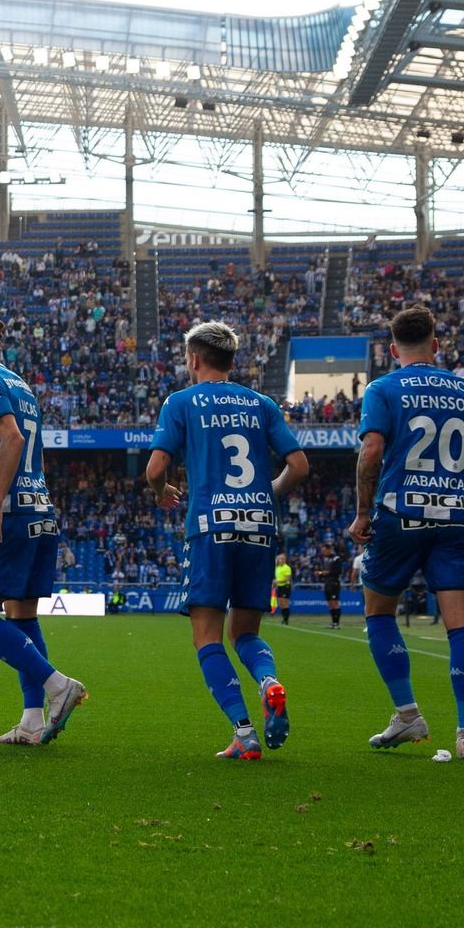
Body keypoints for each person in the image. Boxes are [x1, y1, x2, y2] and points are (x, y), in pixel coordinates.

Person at [144, 321, 309, 759]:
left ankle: (244, 732)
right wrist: (263, 494)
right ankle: (268, 681)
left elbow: (156, 469)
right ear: (232, 361)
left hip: (210, 527)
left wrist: (162, 494)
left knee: (207, 636)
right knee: (246, 633)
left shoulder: (180, 402)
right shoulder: (261, 404)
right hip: (259, 528)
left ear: (194, 359)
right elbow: (299, 465)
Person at [348, 307, 464, 760]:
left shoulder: (383, 388)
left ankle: (408, 713)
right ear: (436, 345)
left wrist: (362, 513)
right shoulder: (460, 389)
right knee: (463, 628)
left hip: (399, 515)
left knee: (378, 613)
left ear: (393, 350)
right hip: (455, 520)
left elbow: (371, 451)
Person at [0, 310, 90, 746]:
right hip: (37, 508)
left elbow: (12, 440)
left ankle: (57, 685)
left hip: (9, 515)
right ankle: (32, 719)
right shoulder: (20, 384)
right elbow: (28, 452)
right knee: (23, 615)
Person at [323, 545, 349, 628]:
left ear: (329, 549)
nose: (323, 552)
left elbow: (338, 571)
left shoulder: (336, 559)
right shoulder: (327, 559)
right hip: (327, 582)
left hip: (334, 583)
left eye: (324, 550)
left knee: (335, 602)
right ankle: (333, 622)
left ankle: (336, 623)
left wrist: (326, 573)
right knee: (330, 602)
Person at [273, 553, 293, 625]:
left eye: (282, 559)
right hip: (280, 586)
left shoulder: (287, 568)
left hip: (285, 587)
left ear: (285, 560)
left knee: (285, 603)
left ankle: (286, 620)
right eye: (279, 559)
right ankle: (284, 618)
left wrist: (277, 581)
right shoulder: (277, 567)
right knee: (280, 603)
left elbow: (287, 579)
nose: (280, 560)